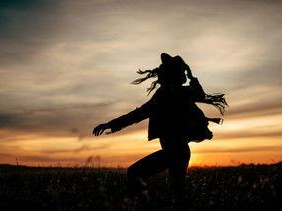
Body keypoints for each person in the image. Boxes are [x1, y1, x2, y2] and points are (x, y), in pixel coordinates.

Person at [93, 53, 227, 202]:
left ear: (166, 74)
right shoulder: (183, 92)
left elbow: (139, 113)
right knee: (176, 196)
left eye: (162, 71)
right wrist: (191, 75)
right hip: (181, 151)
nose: (159, 74)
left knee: (135, 173)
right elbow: (200, 94)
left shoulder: (165, 93)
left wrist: (110, 124)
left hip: (174, 150)